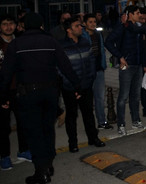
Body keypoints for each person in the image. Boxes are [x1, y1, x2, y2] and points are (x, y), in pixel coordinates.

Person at [0, 13, 81, 184]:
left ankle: (41, 171)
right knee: (48, 130)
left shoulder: (16, 44)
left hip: (28, 94)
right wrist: (77, 86)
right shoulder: (51, 42)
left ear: (25, 26)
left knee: (34, 132)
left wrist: (3, 96)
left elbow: (6, 74)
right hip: (51, 93)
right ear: (41, 25)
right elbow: (65, 66)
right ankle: (48, 165)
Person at [60, 16, 105, 152]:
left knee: (88, 114)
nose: (81, 28)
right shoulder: (62, 46)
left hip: (86, 85)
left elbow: (91, 61)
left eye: (80, 25)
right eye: (77, 26)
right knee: (72, 116)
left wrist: (90, 79)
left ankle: (93, 138)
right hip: (70, 88)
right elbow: (60, 70)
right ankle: (73, 143)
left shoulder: (85, 42)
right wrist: (72, 86)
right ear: (69, 30)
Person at [104, 5, 146, 135]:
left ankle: (136, 121)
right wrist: (120, 57)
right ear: (131, 14)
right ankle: (121, 125)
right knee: (123, 96)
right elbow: (108, 42)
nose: (139, 14)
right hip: (126, 66)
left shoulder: (138, 28)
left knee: (135, 96)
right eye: (137, 12)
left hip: (138, 65)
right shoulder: (122, 28)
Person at [0, 14, 30, 170]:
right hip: (2, 91)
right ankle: (4, 156)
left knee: (23, 122)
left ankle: (24, 151)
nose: (8, 27)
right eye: (5, 24)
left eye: (11, 23)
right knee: (3, 127)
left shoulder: (20, 42)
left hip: (19, 89)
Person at [83, 13, 111, 130]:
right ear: (84, 24)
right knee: (88, 99)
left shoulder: (98, 35)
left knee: (100, 97)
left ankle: (102, 121)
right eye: (90, 22)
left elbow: (101, 51)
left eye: (94, 22)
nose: (93, 24)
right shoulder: (82, 36)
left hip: (99, 69)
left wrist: (103, 65)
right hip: (87, 71)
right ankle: (89, 125)